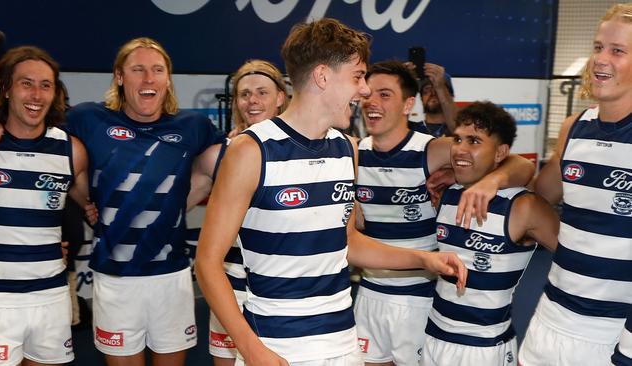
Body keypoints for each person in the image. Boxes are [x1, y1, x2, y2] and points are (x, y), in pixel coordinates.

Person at [195, 18, 470, 366]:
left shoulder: (346, 149)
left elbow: (346, 242)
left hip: (343, 341)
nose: (365, 91)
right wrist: (252, 350)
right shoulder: (251, 150)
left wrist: (423, 259)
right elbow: (207, 263)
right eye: (357, 76)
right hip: (275, 344)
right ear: (323, 76)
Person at [0, 37, 224, 366]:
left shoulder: (193, 125)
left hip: (171, 277)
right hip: (114, 279)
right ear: (119, 77)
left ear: (168, 79)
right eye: (138, 69)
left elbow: (231, 161)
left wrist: (180, 203)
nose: (148, 79)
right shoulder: (89, 119)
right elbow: (32, 123)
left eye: (157, 70)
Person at [354, 62, 536, 366]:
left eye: (385, 95)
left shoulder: (432, 149)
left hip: (419, 297)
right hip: (370, 291)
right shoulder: (355, 151)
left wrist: (490, 181)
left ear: (408, 104)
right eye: (369, 95)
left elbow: (521, 165)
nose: (373, 102)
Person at [518, 4, 632, 365]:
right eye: (598, 47)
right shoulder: (574, 128)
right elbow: (541, 194)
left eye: (618, 51)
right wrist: (498, 176)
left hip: (611, 333)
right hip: (551, 316)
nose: (601, 59)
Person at [419, 101, 559, 366]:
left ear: (500, 152)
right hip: (433, 337)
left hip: (483, 349)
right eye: (458, 139)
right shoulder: (446, 193)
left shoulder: (524, 206)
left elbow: (575, 258)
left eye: (474, 141)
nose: (460, 148)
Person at [0, 46, 89, 366]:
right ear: (5, 88)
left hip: (50, 297)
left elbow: (93, 208)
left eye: (46, 85)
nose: (37, 94)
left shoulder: (72, 150)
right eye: (26, 83)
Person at [196, 59, 288, 366]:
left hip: (282, 292)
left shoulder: (302, 150)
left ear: (280, 97)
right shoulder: (218, 154)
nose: (253, 101)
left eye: (262, 92)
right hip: (231, 288)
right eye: (245, 94)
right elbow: (171, 205)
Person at [408, 63, 456, 137]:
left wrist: (440, 86)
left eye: (437, 89)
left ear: (451, 96)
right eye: (427, 89)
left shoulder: (463, 129)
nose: (433, 93)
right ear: (421, 98)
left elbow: (456, 127)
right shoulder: (409, 129)